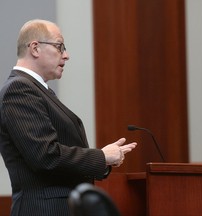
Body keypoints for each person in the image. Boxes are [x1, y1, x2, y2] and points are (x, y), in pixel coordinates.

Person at [0, 19, 137, 216]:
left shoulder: (35, 89)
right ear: (35, 48)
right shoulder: (19, 89)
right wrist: (101, 156)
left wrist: (103, 161)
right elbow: (46, 156)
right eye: (59, 46)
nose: (66, 55)